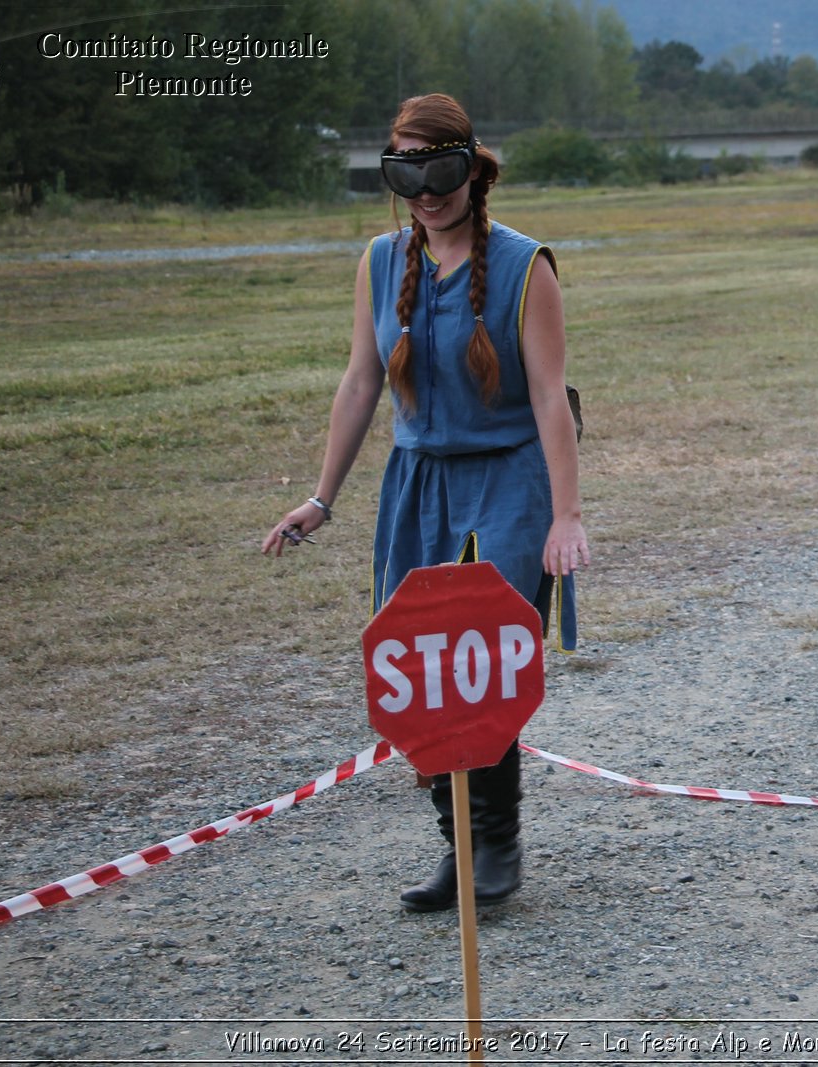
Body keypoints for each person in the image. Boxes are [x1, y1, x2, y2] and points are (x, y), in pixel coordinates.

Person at [263, 92, 590, 909]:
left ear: (470, 169)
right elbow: (362, 380)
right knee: (421, 668)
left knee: (484, 665)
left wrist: (565, 514)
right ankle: (458, 847)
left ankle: (496, 848)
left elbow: (552, 399)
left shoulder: (525, 266)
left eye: (439, 169)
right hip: (419, 488)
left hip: (509, 481)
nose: (425, 191)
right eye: (405, 172)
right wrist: (322, 497)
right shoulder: (380, 262)